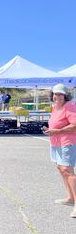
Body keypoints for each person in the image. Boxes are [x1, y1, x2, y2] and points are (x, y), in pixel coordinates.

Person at [43, 84, 76, 218]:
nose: (57, 96)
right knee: (60, 168)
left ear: (65, 96)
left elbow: (75, 125)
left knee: (68, 170)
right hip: (56, 142)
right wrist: (50, 129)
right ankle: (70, 197)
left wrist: (58, 131)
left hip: (67, 142)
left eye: (60, 94)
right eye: (55, 94)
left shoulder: (69, 106)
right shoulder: (55, 107)